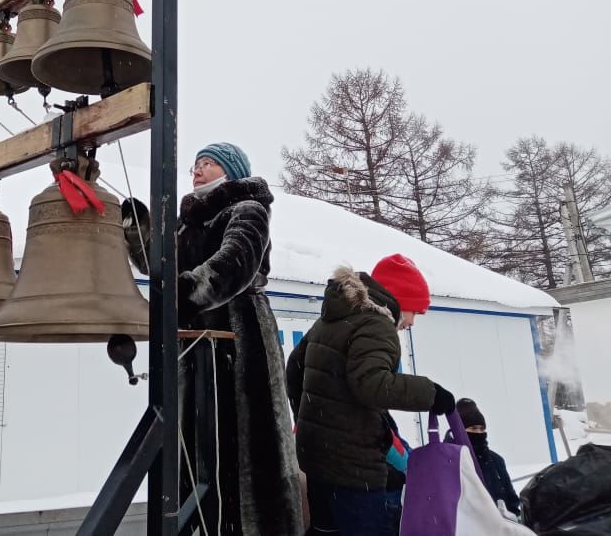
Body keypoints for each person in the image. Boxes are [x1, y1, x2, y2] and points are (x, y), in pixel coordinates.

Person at [122, 142, 303, 535]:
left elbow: (233, 265)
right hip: (195, 342)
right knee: (196, 444)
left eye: (209, 164)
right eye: (196, 164)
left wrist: (179, 294)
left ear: (231, 171)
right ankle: (204, 522)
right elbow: (162, 264)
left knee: (244, 444)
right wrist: (139, 234)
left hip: (239, 340)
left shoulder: (248, 210)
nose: (198, 170)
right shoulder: (187, 225)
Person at [286, 254, 456, 536]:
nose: (412, 321)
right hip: (354, 470)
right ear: (399, 299)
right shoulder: (376, 325)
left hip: (317, 461)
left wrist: (308, 419)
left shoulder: (333, 319)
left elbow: (294, 368)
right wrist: (431, 393)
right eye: (416, 310)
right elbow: (371, 383)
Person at [448, 398, 521, 517]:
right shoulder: (448, 461)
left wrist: (513, 518)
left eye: (481, 428)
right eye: (473, 428)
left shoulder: (496, 460)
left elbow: (512, 501)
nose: (478, 433)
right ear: (459, 430)